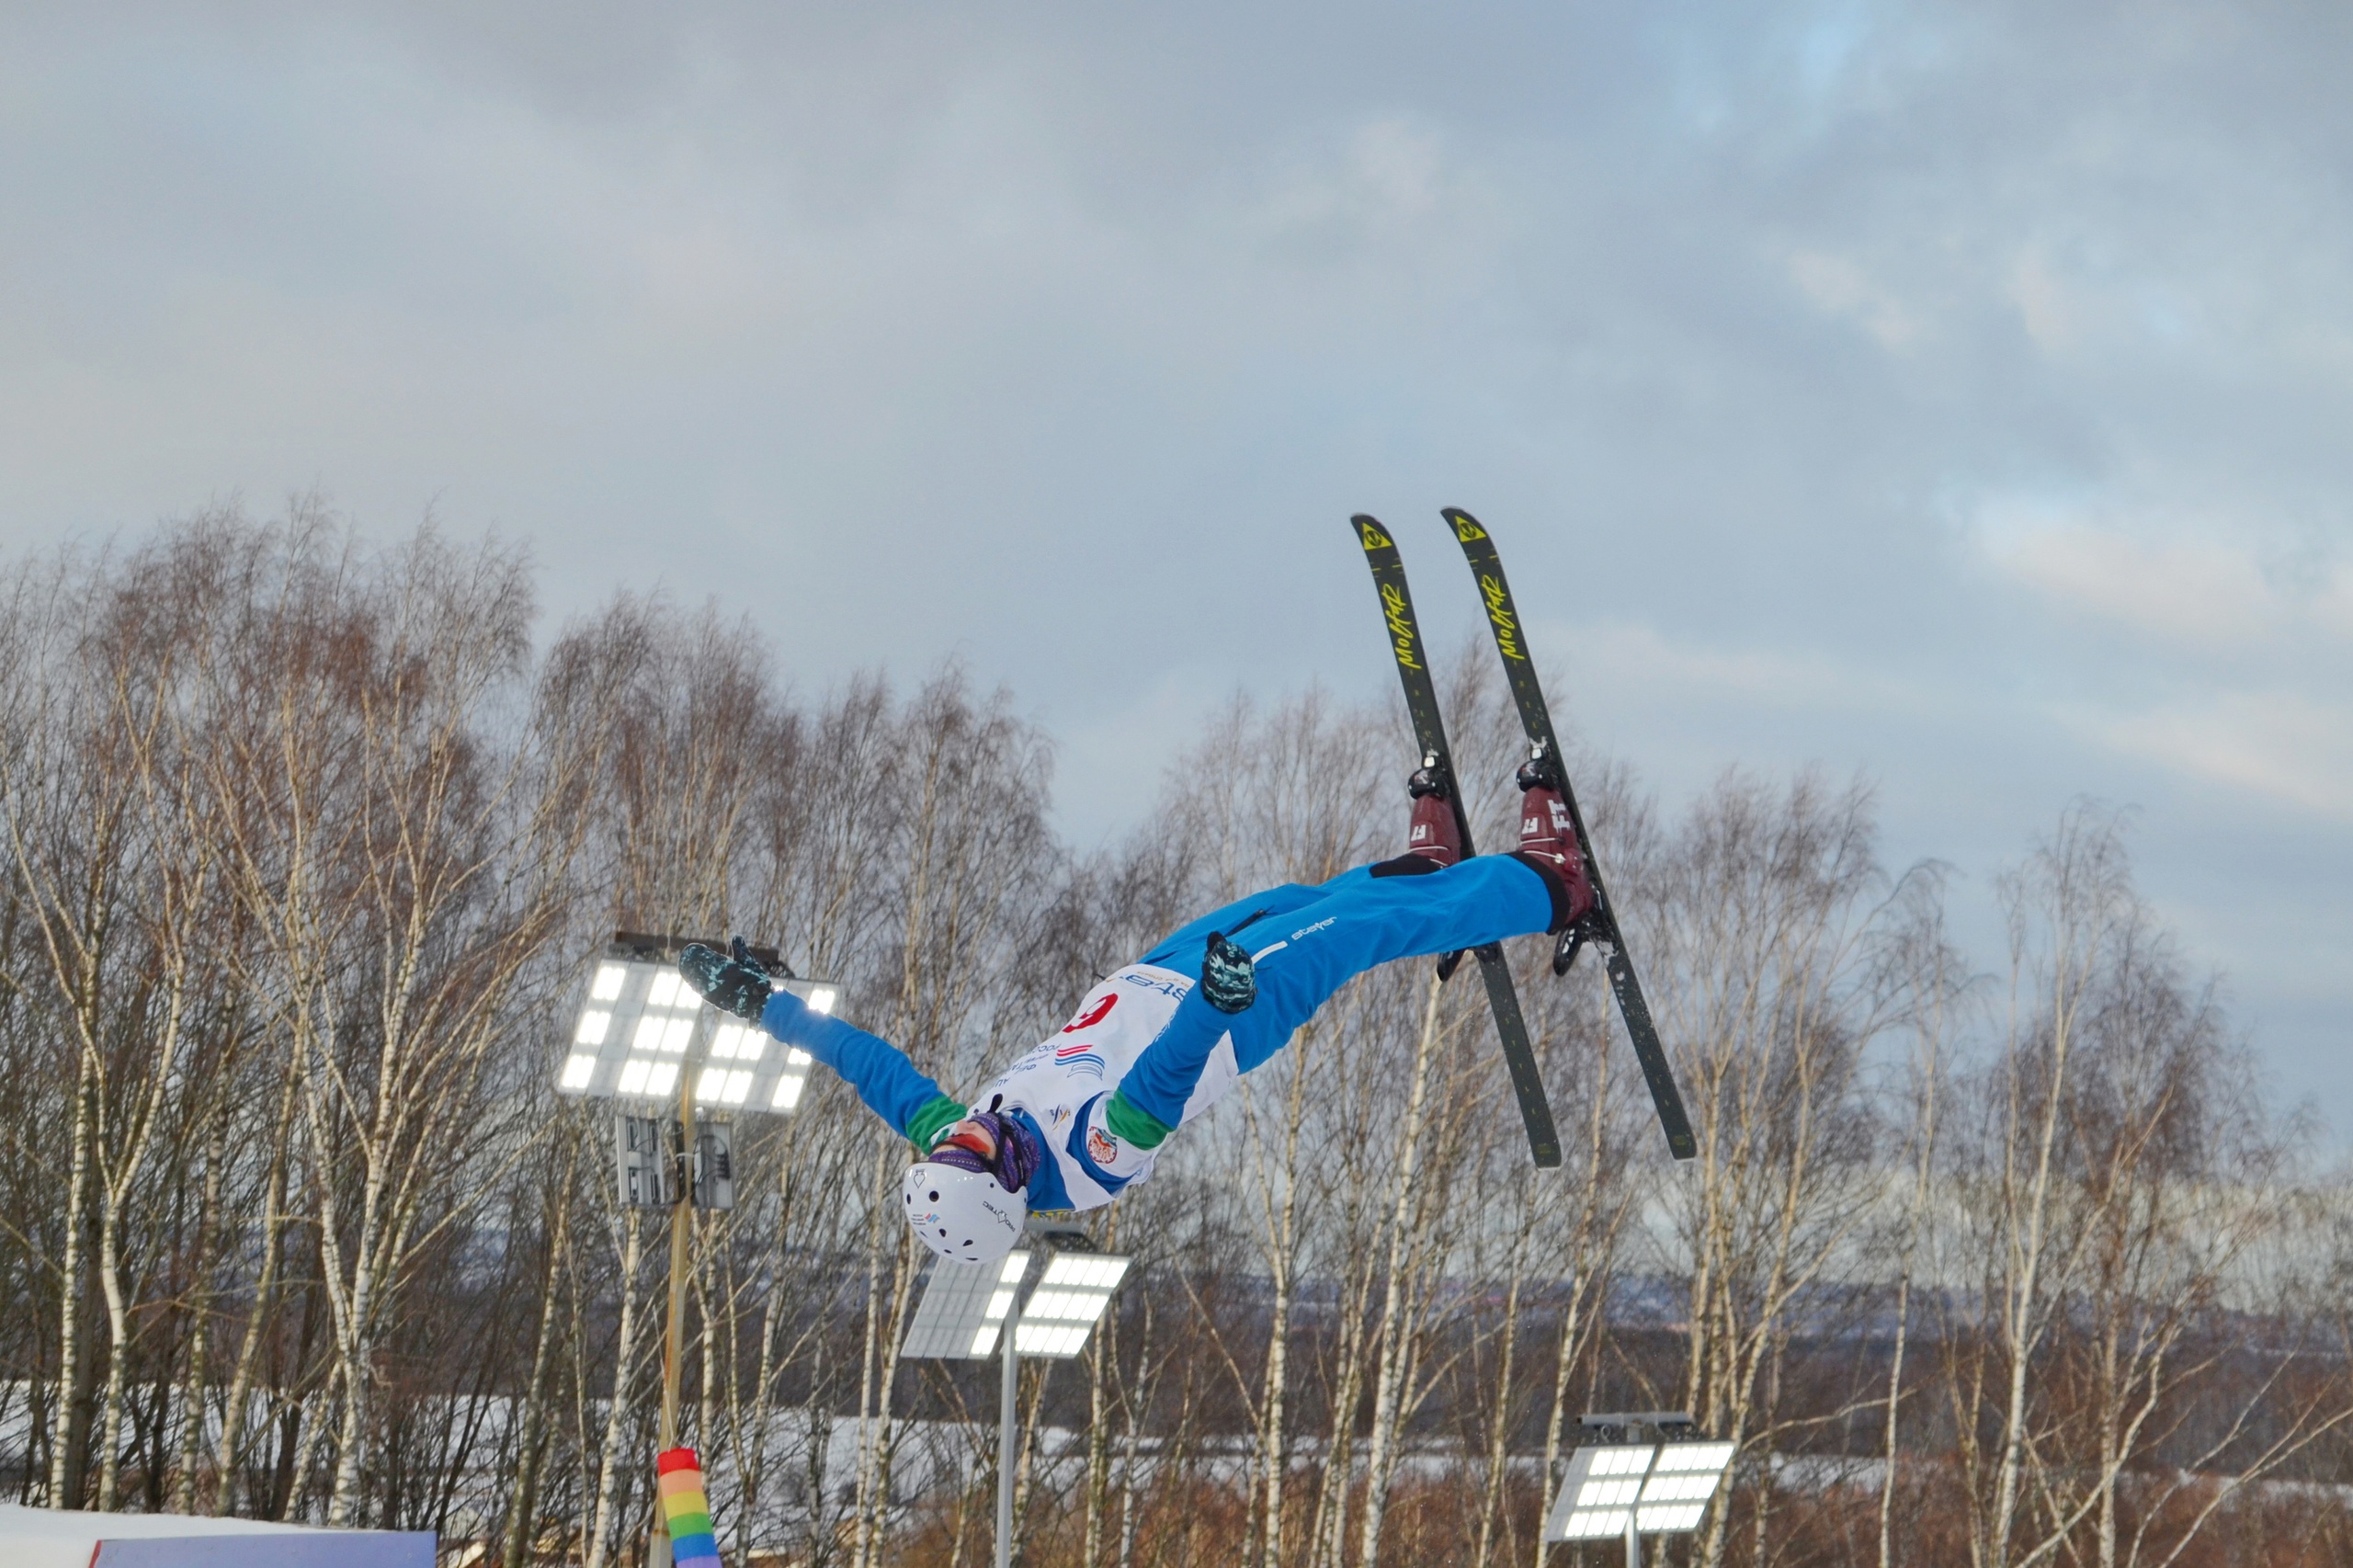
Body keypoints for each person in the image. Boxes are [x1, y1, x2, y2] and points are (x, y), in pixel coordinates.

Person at [679, 762, 1593, 1267]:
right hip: (1221, 1012)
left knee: (1297, 896)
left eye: (948, 1142)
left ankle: (1431, 866)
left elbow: (863, 1062)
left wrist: (763, 1004)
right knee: (1361, 930)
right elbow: (1159, 1082)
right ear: (1005, 1188)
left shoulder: (970, 1134)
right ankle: (1550, 884)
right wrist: (1212, 1002)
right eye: (971, 1151)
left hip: (1154, 973)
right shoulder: (1088, 1162)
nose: (964, 1129)